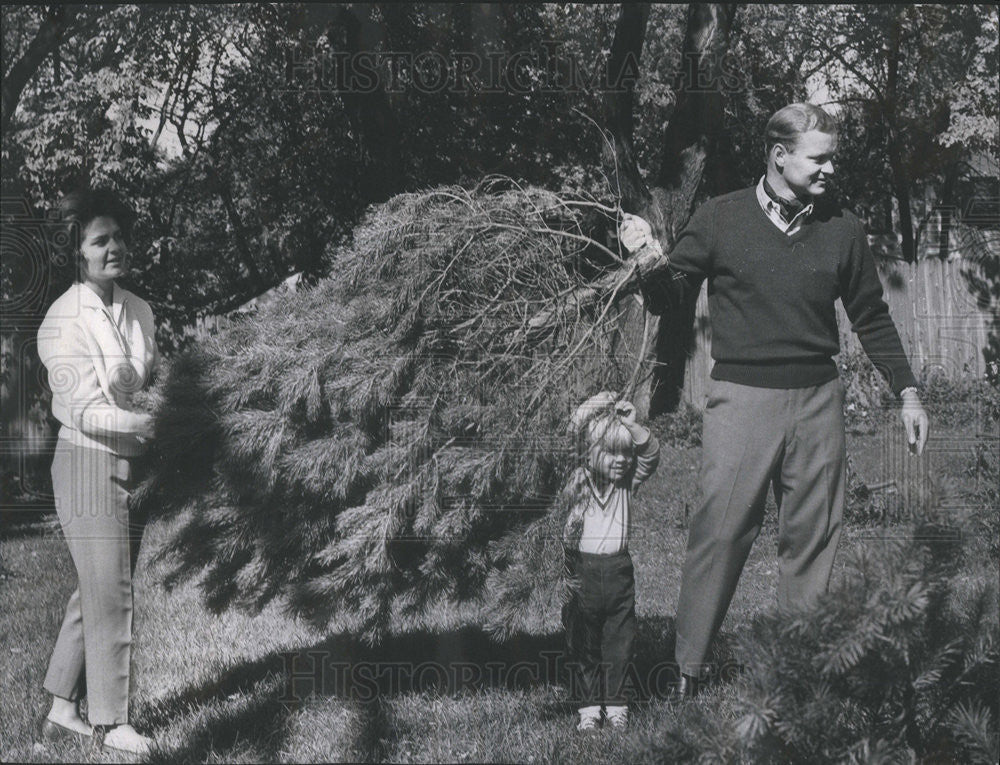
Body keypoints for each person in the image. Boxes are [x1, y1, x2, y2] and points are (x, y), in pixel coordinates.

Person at [620, 103, 930, 700]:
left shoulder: (842, 227)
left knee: (813, 537)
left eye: (831, 157)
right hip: (742, 398)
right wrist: (646, 258)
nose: (829, 169)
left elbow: (870, 314)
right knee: (721, 530)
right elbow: (669, 295)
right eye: (820, 158)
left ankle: (801, 669)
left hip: (818, 399)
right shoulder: (720, 218)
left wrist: (908, 392)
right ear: (779, 155)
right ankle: (688, 668)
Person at [37, 188, 158, 755]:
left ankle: (64, 705)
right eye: (99, 240)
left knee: (97, 587)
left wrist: (149, 420)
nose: (115, 247)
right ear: (76, 252)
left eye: (119, 236)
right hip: (85, 461)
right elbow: (83, 408)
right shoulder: (62, 320)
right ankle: (112, 723)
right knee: (111, 593)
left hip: (132, 457)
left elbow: (141, 379)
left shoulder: (139, 309)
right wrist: (148, 423)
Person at [561, 391, 660, 731]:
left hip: (618, 573)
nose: (621, 460)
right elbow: (567, 438)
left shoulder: (625, 485)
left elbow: (650, 455)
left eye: (624, 453)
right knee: (584, 641)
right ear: (589, 454)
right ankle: (589, 707)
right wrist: (593, 404)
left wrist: (633, 426)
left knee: (621, 641)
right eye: (610, 452)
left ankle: (617, 704)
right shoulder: (577, 481)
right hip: (582, 572)